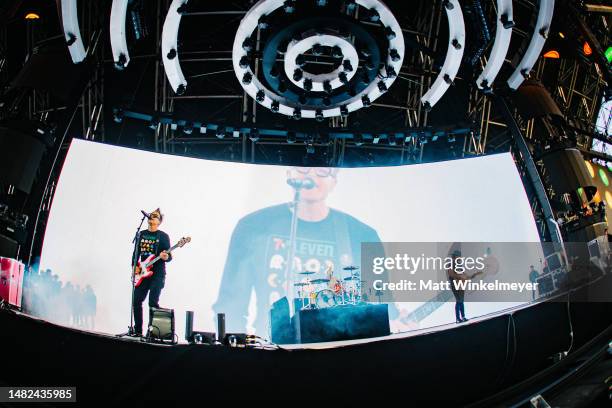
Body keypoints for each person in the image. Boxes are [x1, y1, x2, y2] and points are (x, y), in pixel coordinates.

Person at [213, 167, 386, 336]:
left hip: (337, 354)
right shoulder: (252, 226)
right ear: (289, 173)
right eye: (303, 168)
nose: (311, 174)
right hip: (268, 353)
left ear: (334, 180)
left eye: (322, 170)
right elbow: (230, 305)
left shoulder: (361, 234)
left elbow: (384, 307)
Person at [131, 208, 172, 336]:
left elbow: (169, 256)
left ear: (159, 222)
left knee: (152, 302)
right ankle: (138, 331)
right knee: (136, 301)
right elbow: (135, 254)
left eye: (155, 216)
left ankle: (152, 332)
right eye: (151, 215)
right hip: (143, 273)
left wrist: (166, 257)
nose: (151, 217)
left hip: (157, 274)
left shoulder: (163, 236)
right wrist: (134, 267)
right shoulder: (141, 234)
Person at [446, 250, 479, 323]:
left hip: (461, 285)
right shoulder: (451, 264)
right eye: (457, 256)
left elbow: (466, 276)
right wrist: (460, 277)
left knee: (461, 301)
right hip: (455, 284)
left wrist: (474, 275)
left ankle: (462, 317)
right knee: (459, 301)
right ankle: (458, 318)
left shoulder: (460, 266)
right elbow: (451, 274)